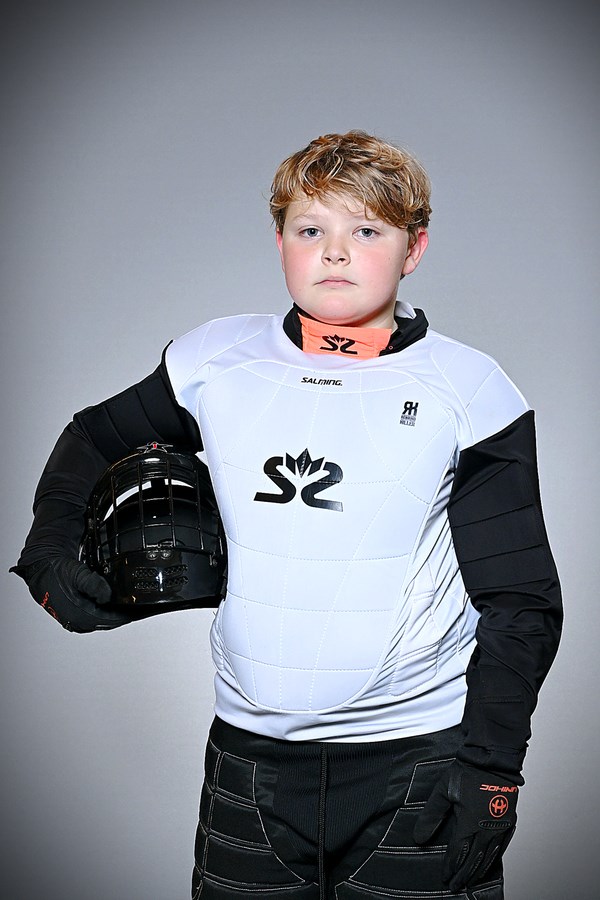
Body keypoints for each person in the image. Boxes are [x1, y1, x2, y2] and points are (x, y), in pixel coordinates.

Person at [11, 131, 562, 899]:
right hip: (250, 768)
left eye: (366, 230)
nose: (334, 252)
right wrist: (47, 554)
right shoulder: (214, 361)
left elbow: (521, 601)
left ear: (414, 248)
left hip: (418, 770)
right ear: (279, 243)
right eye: (310, 229)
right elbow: (92, 438)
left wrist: (494, 770)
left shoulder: (470, 390)